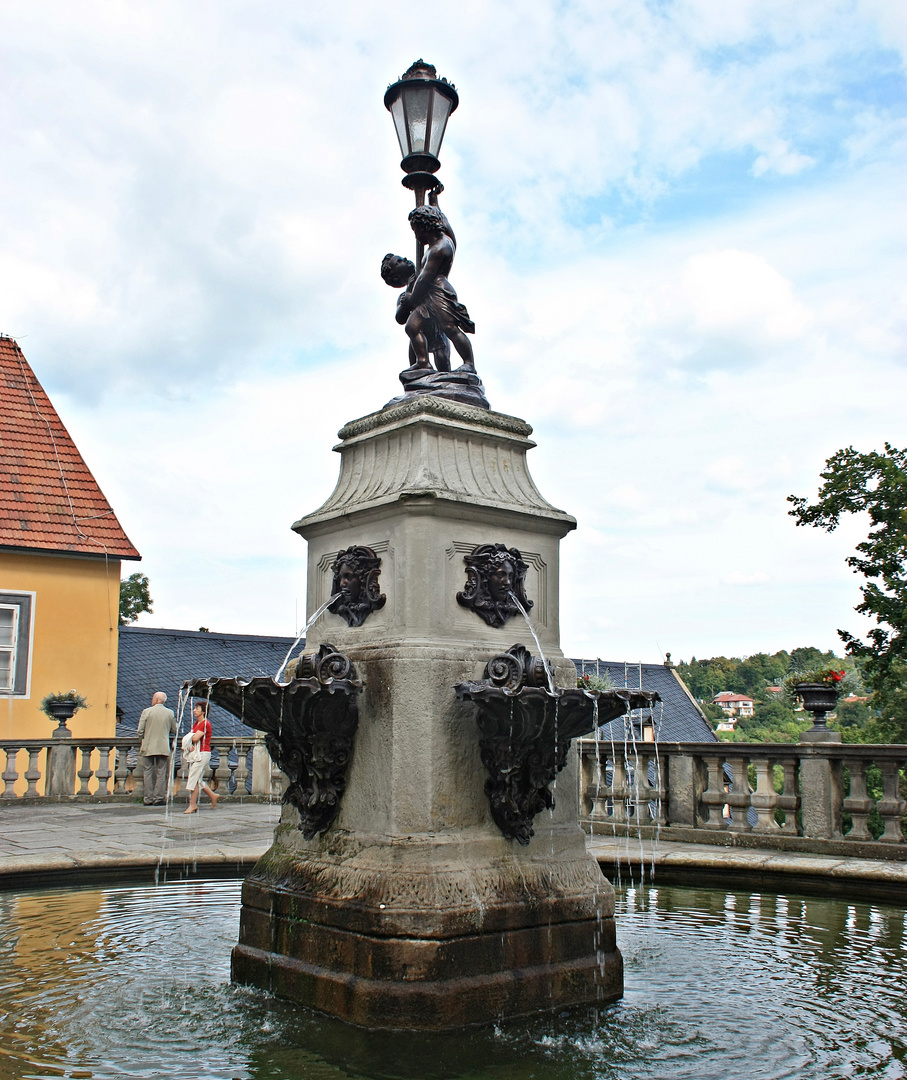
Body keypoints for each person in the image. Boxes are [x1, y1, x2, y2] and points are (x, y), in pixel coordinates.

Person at [396, 185, 476, 372]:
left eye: (416, 230)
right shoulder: (444, 239)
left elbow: (424, 278)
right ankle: (423, 362)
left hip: (437, 291)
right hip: (426, 294)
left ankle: (469, 364)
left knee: (450, 328)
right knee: (412, 327)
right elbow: (444, 221)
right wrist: (434, 203)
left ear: (426, 227)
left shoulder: (439, 248)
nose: (416, 235)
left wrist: (411, 300)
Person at [137, 691, 176, 806]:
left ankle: (148, 798)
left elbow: (140, 730)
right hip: (163, 746)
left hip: (148, 746)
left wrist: (143, 740)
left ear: (155, 699)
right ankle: (158, 798)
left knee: (148, 771)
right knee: (161, 772)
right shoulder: (169, 713)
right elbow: (174, 729)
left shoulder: (147, 712)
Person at [184, 700, 219, 813]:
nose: (194, 710)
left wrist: (190, 740)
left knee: (193, 778)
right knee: (197, 779)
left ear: (203, 711)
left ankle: (192, 805)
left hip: (202, 753)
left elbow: (194, 738)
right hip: (199, 752)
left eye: (197, 709)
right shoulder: (197, 723)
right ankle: (213, 796)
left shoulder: (204, 724)